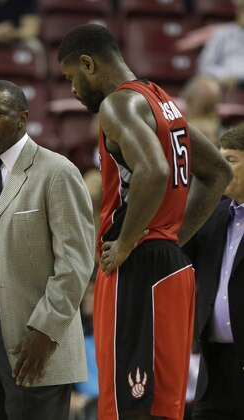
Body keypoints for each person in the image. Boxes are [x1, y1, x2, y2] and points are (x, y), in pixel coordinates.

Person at [57, 24, 233, 420]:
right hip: (170, 267)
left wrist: (126, 242)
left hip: (136, 267)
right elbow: (218, 172)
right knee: (162, 407)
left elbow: (152, 170)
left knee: (126, 406)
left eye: (71, 77)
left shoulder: (118, 105)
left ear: (89, 64)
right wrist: (172, 238)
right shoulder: (161, 100)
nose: (71, 90)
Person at [0, 80, 95, 419]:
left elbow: (76, 263)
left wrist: (45, 331)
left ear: (22, 118)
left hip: (36, 344)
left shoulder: (57, 172)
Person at [183, 125, 244, 419]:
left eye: (230, 161)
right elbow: (177, 255)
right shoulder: (211, 214)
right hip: (213, 367)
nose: (222, 168)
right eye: (218, 161)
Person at [197, 0, 244, 90]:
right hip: (226, 86)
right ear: (238, 11)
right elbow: (204, 65)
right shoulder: (222, 33)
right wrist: (223, 75)